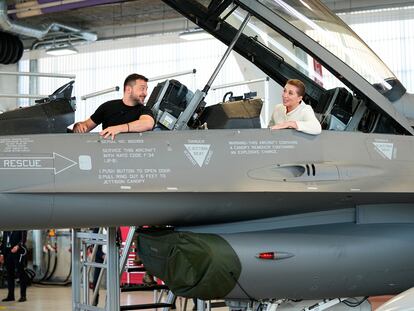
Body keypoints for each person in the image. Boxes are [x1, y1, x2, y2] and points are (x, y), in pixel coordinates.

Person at [73, 73, 155, 139]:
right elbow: (86, 125)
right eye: (142, 89)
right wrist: (78, 126)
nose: (145, 93)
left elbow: (147, 123)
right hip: (108, 154)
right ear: (128, 89)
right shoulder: (108, 107)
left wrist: (118, 129)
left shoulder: (144, 110)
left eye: (146, 89)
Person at [0, 231, 28, 302]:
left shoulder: (20, 226)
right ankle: (10, 296)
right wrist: (2, 254)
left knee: (21, 274)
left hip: (18, 253)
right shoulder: (6, 229)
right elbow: (4, 241)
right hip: (8, 253)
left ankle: (23, 296)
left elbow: (23, 239)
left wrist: (18, 246)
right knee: (9, 275)